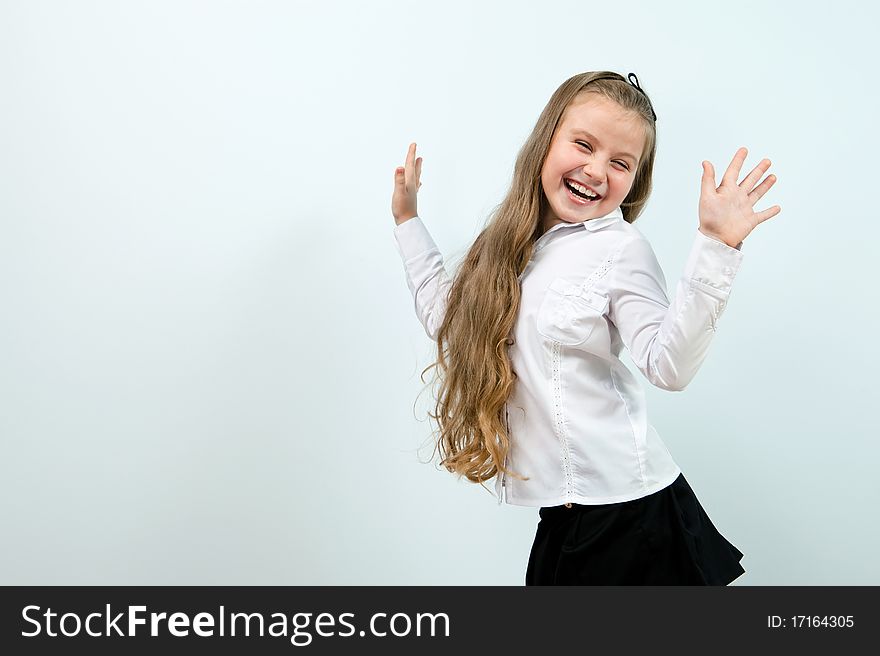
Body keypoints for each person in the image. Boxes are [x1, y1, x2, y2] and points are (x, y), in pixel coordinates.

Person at [389, 71, 780, 585]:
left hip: (630, 516)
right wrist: (407, 220)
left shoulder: (621, 250)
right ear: (546, 139)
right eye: (583, 144)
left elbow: (669, 367)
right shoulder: (507, 245)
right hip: (565, 516)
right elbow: (449, 321)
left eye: (621, 162)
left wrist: (716, 244)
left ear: (635, 179)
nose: (597, 170)